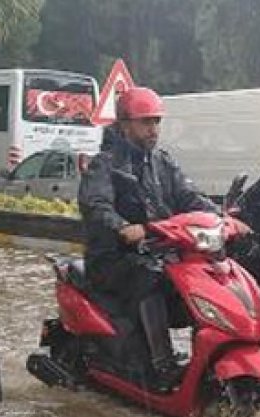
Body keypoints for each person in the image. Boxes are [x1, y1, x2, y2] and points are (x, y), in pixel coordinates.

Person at [78, 87, 218, 390]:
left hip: (157, 253)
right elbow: (95, 205)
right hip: (114, 259)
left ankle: (207, 360)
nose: (153, 129)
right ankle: (163, 367)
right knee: (150, 277)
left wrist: (223, 216)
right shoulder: (105, 164)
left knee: (202, 277)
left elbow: (189, 197)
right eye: (145, 122)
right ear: (125, 125)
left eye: (156, 122)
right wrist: (123, 227)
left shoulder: (162, 163)